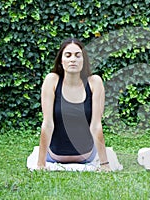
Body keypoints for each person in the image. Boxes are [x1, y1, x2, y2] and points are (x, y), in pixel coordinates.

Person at [37, 38, 110, 171]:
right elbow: (47, 124)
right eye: (68, 55)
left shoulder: (95, 82)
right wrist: (40, 164)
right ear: (61, 60)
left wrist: (104, 164)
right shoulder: (52, 80)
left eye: (78, 55)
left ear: (84, 60)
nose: (73, 59)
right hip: (55, 155)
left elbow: (96, 125)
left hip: (86, 156)